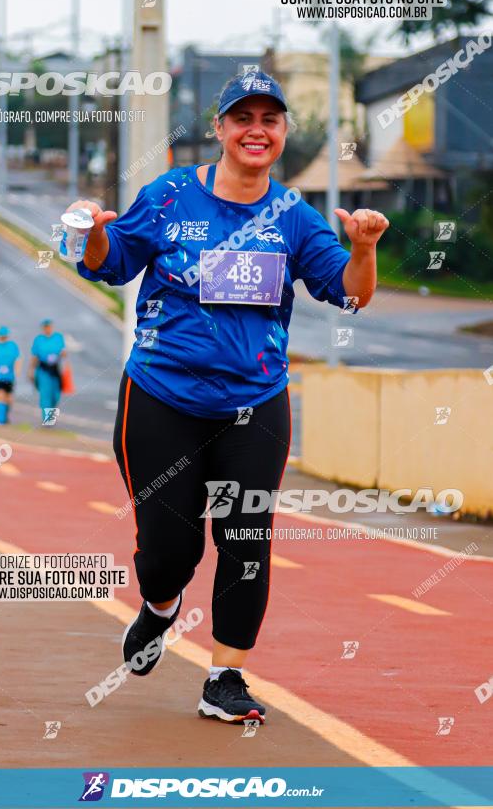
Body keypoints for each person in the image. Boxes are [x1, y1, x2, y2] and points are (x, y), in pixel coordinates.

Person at [67, 70, 389, 725]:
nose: (255, 130)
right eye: (242, 118)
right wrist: (97, 232)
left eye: (269, 119)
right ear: (219, 129)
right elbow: (110, 262)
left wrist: (363, 248)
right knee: (169, 548)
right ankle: (159, 606)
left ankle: (224, 676)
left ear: (282, 135)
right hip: (161, 395)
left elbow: (350, 292)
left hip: (254, 403)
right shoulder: (168, 196)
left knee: (245, 537)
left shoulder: (294, 219)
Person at [29, 319, 67, 424]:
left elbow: (63, 353)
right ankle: (48, 421)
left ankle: (50, 417)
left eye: (49, 327)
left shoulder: (58, 338)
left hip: (55, 370)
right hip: (43, 370)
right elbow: (34, 356)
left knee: (55, 395)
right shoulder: (39, 340)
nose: (47, 329)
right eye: (45, 327)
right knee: (45, 395)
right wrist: (31, 370)